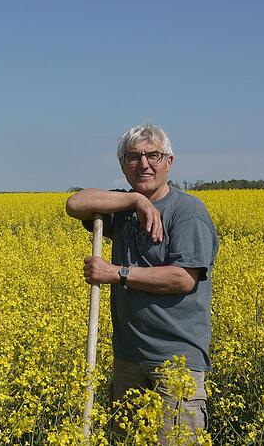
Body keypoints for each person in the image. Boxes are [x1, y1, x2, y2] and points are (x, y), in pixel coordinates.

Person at [65, 122, 218, 443]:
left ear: (169, 162)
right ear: (122, 165)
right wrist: (135, 202)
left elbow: (182, 278)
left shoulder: (187, 212)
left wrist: (116, 273)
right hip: (128, 359)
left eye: (153, 155)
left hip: (174, 364)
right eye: (133, 157)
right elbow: (75, 204)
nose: (144, 164)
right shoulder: (123, 209)